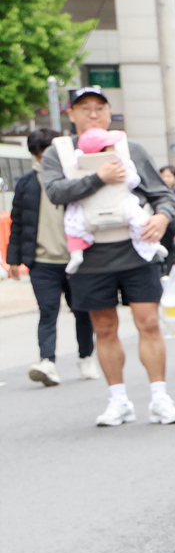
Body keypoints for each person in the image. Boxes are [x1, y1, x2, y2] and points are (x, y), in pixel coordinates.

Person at [40, 86, 175, 425]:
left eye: (99, 108)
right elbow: (56, 192)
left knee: (148, 322)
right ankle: (118, 400)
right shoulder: (58, 153)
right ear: (71, 114)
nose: (93, 114)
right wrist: (98, 178)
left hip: (136, 249)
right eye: (84, 108)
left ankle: (160, 397)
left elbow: (163, 195)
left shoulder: (129, 149)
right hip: (89, 256)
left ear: (109, 114)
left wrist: (162, 217)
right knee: (103, 328)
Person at [8, 127, 97, 385]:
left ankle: (86, 358)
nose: (45, 159)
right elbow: (18, 223)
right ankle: (47, 362)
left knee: (82, 311)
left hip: (76, 259)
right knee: (47, 311)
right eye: (41, 154)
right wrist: (13, 259)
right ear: (35, 156)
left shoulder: (74, 178)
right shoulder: (26, 184)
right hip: (42, 262)